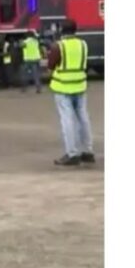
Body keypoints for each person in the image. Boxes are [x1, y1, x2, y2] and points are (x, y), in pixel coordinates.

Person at [48, 20, 95, 166]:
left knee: (67, 120)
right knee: (83, 117)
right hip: (80, 86)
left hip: (63, 87)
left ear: (61, 30)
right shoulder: (83, 44)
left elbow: (51, 65)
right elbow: (85, 64)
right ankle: (88, 151)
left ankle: (72, 153)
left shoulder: (58, 46)